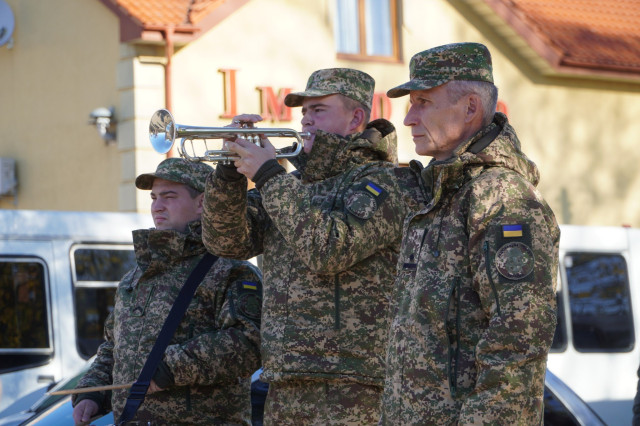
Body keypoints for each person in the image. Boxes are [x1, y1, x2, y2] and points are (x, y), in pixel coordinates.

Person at [202, 68, 423, 425]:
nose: (305, 119)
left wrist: (268, 175)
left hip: (356, 384)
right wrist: (228, 172)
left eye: (318, 110)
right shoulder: (289, 185)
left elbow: (329, 250)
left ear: (356, 118)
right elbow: (226, 241)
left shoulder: (386, 182)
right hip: (285, 379)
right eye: (304, 111)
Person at [379, 42, 560, 424]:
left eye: (423, 102)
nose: (408, 119)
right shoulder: (440, 196)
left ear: (470, 108)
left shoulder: (501, 197)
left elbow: (517, 344)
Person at [71, 158, 263, 425]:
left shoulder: (230, 270)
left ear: (202, 202)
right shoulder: (136, 277)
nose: (157, 206)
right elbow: (113, 347)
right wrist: (93, 392)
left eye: (169, 197)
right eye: (154, 197)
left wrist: (170, 368)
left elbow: (250, 343)